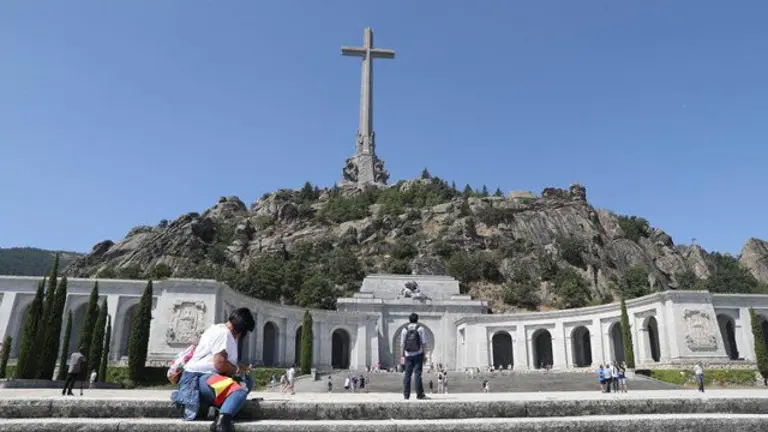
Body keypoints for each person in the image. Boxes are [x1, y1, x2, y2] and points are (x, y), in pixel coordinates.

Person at [171, 307, 256, 432]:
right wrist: (237, 369)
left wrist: (237, 368)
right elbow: (220, 364)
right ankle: (222, 422)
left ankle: (217, 407)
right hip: (200, 378)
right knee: (239, 391)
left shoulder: (216, 328)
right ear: (241, 331)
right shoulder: (225, 334)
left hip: (200, 377)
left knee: (246, 381)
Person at [400, 312, 428, 400]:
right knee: (418, 374)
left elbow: (402, 345)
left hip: (408, 355)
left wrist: (402, 357)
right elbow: (424, 343)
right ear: (417, 319)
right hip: (418, 354)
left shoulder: (404, 329)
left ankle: (406, 395)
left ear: (409, 319)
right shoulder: (420, 329)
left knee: (407, 375)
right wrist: (424, 355)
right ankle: (420, 394)